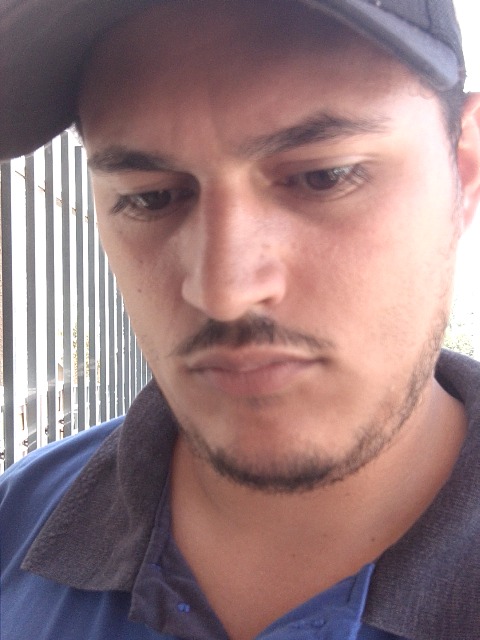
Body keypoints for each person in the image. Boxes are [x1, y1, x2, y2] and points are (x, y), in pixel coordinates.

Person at [1, 0, 480, 638]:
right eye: (150, 197)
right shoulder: (14, 526)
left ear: (464, 170)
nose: (224, 293)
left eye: (324, 176)